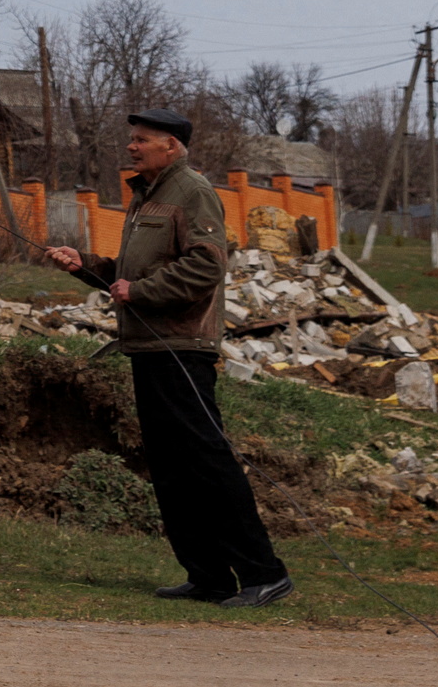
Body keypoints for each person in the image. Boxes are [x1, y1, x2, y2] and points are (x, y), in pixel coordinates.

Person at [43, 109, 292, 607]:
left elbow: (205, 267)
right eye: (132, 139)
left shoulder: (192, 191)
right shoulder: (147, 196)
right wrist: (86, 266)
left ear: (172, 146)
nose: (132, 147)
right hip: (149, 346)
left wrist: (142, 290)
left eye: (142, 140)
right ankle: (209, 576)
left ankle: (264, 573)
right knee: (172, 467)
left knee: (206, 460)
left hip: (182, 348)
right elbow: (129, 276)